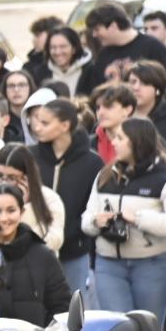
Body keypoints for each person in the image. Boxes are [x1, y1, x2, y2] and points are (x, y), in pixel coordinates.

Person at [82, 117, 166, 331]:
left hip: (152, 265)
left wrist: (138, 218)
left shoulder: (165, 178)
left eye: (120, 138)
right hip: (108, 264)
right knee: (118, 330)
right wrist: (97, 221)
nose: (113, 142)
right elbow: (86, 220)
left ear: (137, 142)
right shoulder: (104, 176)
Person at [31, 98, 106, 296]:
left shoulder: (92, 162)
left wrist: (75, 235)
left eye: (45, 123)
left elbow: (91, 206)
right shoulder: (30, 156)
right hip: (32, 249)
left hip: (73, 251)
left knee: (70, 314)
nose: (37, 127)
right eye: (37, 120)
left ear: (65, 125)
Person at [0, 182, 70, 327]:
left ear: (22, 212)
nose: (3, 218)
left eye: (11, 210)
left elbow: (62, 306)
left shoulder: (43, 255)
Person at [84, 1, 166, 94]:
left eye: (97, 29)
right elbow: (97, 90)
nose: (94, 35)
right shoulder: (103, 55)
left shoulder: (152, 47)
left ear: (113, 26)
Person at [128, 62, 166, 149]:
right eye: (132, 82)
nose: (136, 88)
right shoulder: (117, 115)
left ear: (158, 89)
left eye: (144, 83)